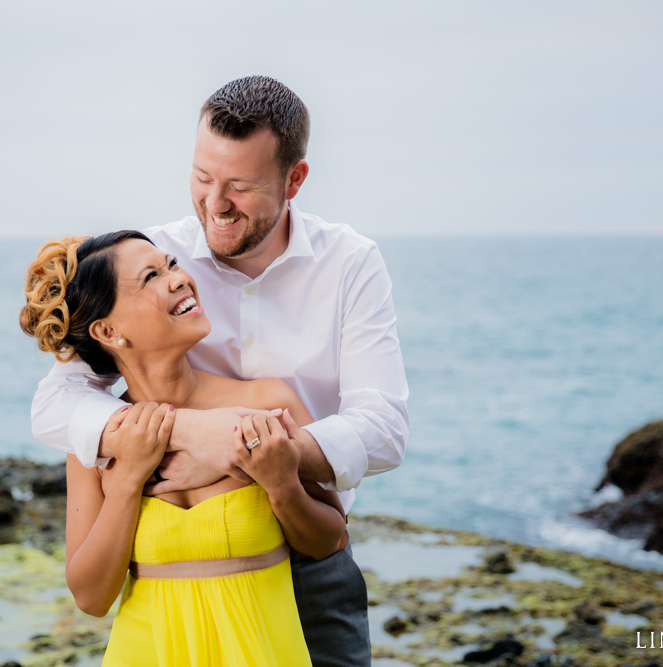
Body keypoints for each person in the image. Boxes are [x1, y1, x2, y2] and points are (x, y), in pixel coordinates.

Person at [31, 75, 409, 666]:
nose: (214, 204)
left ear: (294, 180)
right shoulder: (151, 251)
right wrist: (190, 433)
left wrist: (266, 453)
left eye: (240, 186)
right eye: (202, 179)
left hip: (307, 572)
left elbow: (383, 428)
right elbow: (56, 405)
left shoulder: (350, 263)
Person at [21, 231, 349, 666]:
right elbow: (91, 597)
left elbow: (331, 540)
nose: (178, 279)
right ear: (108, 331)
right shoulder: (98, 440)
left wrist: (282, 484)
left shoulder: (269, 402)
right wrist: (126, 485)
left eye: (172, 265)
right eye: (151, 276)